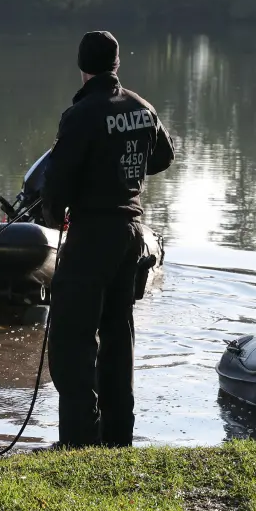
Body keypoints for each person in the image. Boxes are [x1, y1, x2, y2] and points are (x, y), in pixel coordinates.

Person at [42, 31, 174, 449]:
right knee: (118, 334)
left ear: (83, 67)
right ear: (117, 64)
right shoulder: (141, 108)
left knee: (72, 337)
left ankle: (80, 438)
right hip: (130, 235)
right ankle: (118, 436)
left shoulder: (81, 114)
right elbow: (164, 156)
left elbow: (57, 181)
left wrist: (54, 215)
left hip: (92, 234)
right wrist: (124, 170)